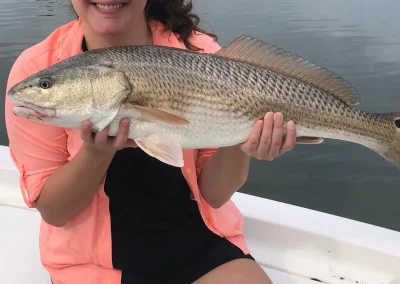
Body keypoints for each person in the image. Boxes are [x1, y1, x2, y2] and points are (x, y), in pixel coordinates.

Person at [4, 0, 297, 283]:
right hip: (93, 265)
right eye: (46, 86)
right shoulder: (36, 66)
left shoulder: (202, 54)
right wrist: (95, 154)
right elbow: (55, 212)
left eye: (46, 86)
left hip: (201, 244)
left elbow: (215, 195)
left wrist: (241, 138)